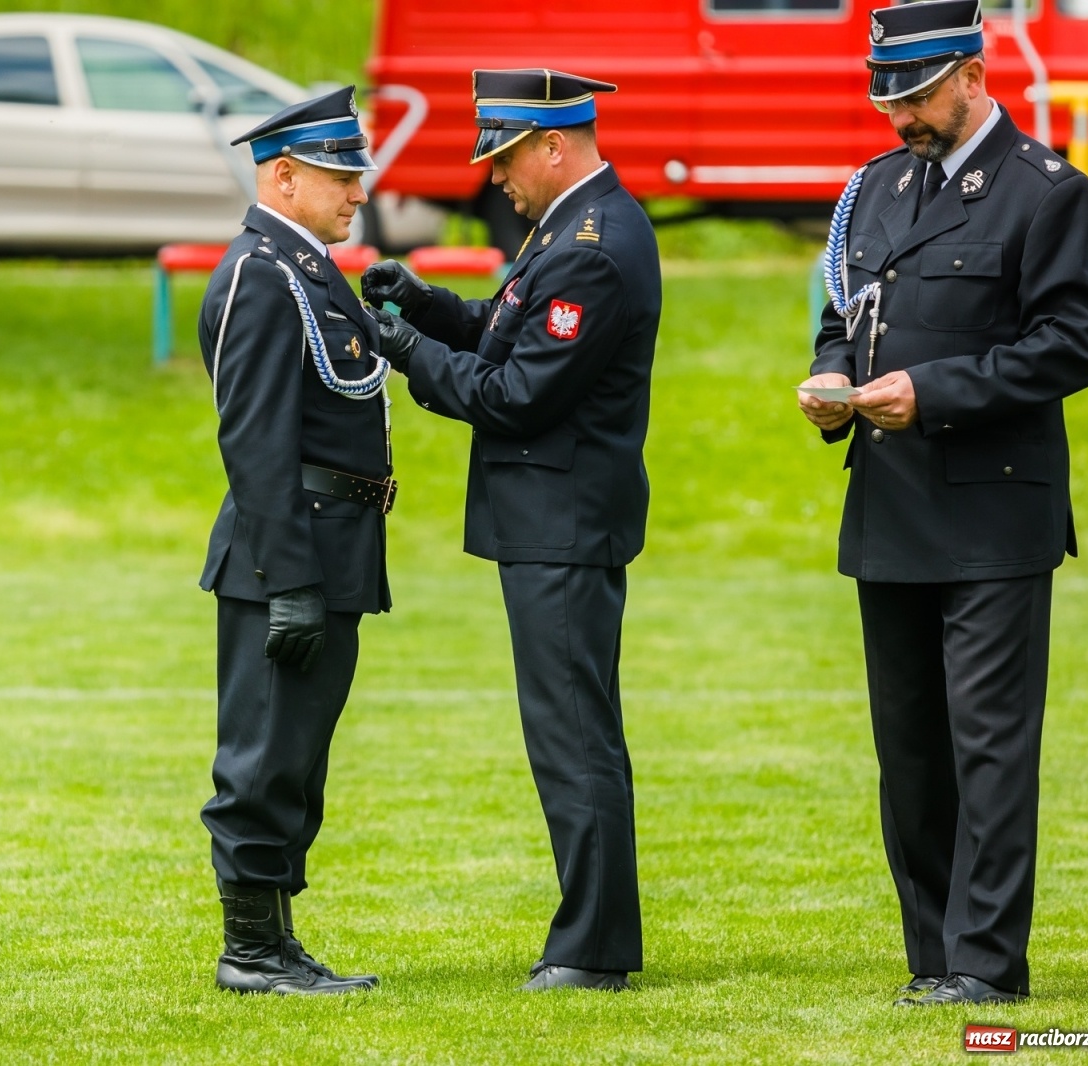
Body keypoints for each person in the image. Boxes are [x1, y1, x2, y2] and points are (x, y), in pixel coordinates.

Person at [799, 0, 1088, 1007]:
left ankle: (985, 965)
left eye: (918, 94)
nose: (901, 116)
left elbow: (1074, 344)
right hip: (888, 506)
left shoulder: (1045, 192)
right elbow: (845, 309)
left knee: (986, 745)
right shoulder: (877, 185)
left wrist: (931, 392)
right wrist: (832, 382)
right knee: (910, 750)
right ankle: (931, 954)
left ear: (971, 74)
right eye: (887, 96)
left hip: (990, 512)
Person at [363, 69, 660, 991]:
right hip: (552, 523)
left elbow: (515, 397)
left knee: (573, 737)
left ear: (553, 146)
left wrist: (403, 349)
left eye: (503, 157)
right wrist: (422, 305)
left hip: (562, 525)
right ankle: (595, 935)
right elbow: (502, 332)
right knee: (569, 732)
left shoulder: (592, 248)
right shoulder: (568, 229)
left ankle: (594, 948)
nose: (493, 176)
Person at [195, 86, 396, 995]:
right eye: (340, 174)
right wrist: (290, 579)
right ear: (284, 177)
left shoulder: (307, 268)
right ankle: (250, 952)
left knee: (299, 760)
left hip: (333, 545)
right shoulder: (261, 272)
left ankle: (276, 942)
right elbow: (255, 438)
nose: (358, 190)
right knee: (264, 759)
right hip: (292, 553)